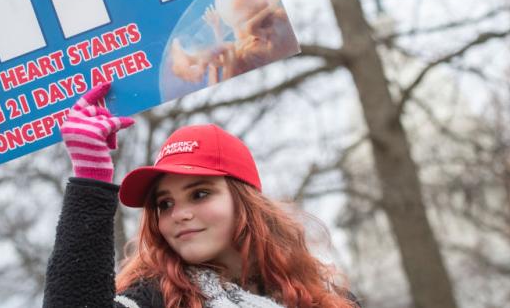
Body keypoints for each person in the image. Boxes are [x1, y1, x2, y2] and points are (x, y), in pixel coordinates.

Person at [42, 82, 359, 308]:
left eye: (200, 194)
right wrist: (91, 176)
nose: (178, 214)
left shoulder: (328, 298)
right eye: (165, 204)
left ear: (245, 202)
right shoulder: (154, 298)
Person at [169, 0, 299, 85]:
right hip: (237, 65)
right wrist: (216, 27)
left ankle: (194, 63)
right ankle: (193, 63)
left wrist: (270, 6)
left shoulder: (275, 26)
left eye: (259, 16)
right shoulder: (253, 39)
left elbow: (250, 28)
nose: (248, 28)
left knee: (227, 49)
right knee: (222, 54)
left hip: (242, 68)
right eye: (238, 25)